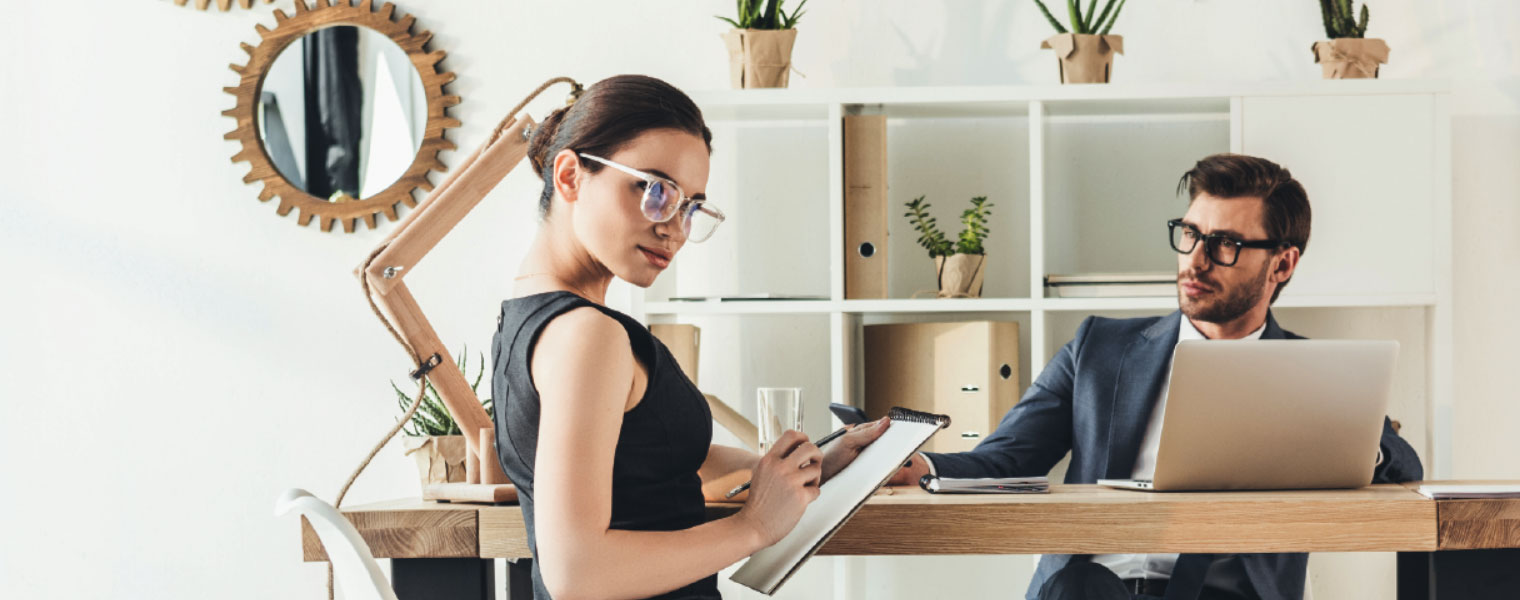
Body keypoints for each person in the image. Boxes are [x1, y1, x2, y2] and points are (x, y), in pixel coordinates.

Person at [888, 153, 1423, 600]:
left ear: (1281, 265)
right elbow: (1006, 457)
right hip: (1094, 587)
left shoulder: (1309, 374)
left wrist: (1339, 443)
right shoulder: (1099, 347)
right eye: (1190, 234)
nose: (1196, 260)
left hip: (1225, 592)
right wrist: (919, 462)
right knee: (1079, 588)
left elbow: (1402, 462)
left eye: (1226, 245)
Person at [489, 75, 889, 600]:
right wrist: (754, 527)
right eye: (655, 190)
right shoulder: (588, 335)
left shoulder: (528, 321)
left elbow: (647, 458)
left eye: (690, 207)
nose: (673, 229)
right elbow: (577, 573)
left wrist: (805, 464)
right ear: (570, 176)